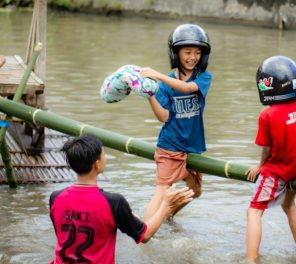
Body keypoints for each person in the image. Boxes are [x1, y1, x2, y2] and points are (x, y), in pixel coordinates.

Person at [49, 135, 194, 263]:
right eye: (103, 155)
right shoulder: (114, 203)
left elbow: (73, 227)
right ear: (97, 164)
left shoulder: (55, 198)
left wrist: (124, 217)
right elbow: (145, 235)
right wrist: (166, 206)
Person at [245, 55, 296, 261]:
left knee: (254, 211)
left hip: (279, 172)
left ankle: (251, 259)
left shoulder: (267, 116)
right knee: (289, 205)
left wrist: (260, 167)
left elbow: (267, 150)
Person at [139, 24, 212, 220]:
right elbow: (163, 117)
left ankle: (167, 215)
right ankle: (144, 233)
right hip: (170, 146)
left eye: (197, 52)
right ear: (176, 54)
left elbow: (188, 88)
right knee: (163, 190)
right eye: (187, 52)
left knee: (194, 191)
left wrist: (159, 75)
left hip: (193, 147)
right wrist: (150, 96)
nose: (193, 57)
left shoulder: (204, 77)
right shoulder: (165, 85)